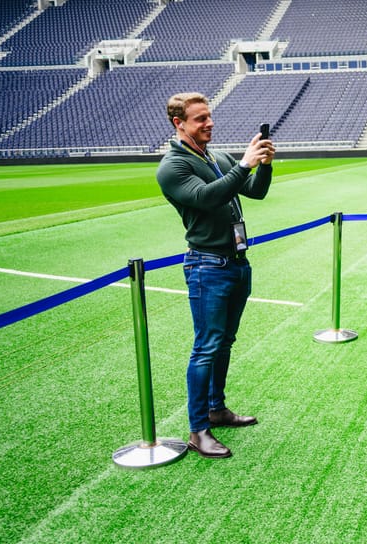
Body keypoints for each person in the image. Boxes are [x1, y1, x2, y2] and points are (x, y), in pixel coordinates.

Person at [156, 92, 275, 459]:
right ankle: (198, 430)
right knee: (206, 347)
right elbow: (207, 197)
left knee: (224, 342)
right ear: (179, 124)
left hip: (236, 262)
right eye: (199, 119)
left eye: (209, 116)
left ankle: (217, 409)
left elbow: (254, 191)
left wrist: (264, 164)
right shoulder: (173, 166)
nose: (208, 123)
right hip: (207, 266)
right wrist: (244, 165)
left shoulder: (216, 157)